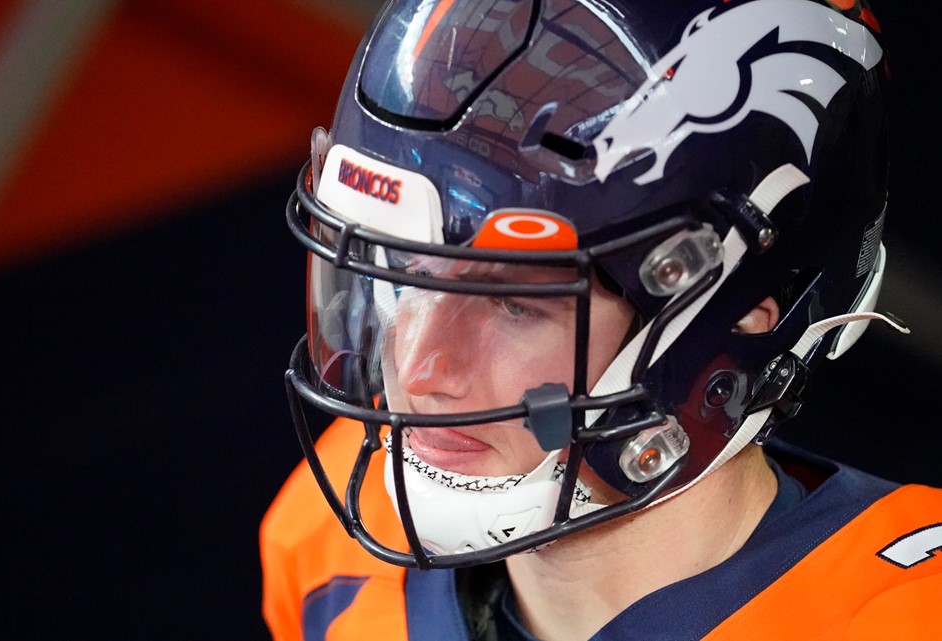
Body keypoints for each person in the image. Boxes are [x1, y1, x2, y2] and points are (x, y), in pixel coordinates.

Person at [261, 0, 942, 639]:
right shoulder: (326, 543)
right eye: (400, 272)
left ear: (738, 322)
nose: (418, 371)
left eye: (513, 301)